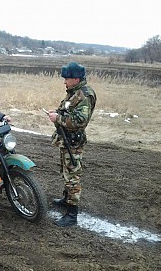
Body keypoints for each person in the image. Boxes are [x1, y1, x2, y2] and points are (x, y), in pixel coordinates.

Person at [45, 61, 97, 227]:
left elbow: (80, 120)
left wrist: (58, 118)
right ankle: (66, 199)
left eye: (67, 78)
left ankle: (72, 214)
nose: (64, 81)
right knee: (66, 171)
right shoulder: (74, 92)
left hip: (73, 142)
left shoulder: (84, 95)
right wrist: (57, 113)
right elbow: (68, 110)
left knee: (72, 177)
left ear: (76, 78)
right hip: (66, 139)